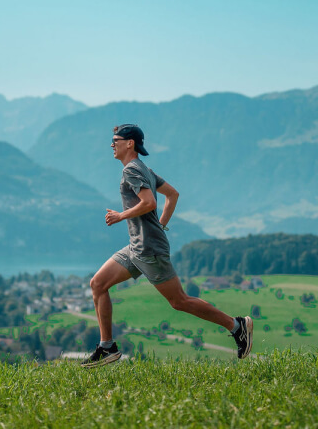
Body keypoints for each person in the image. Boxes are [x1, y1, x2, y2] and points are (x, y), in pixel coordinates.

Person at [81, 123, 253, 368]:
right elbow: (173, 194)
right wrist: (160, 225)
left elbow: (149, 203)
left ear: (130, 143)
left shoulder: (132, 170)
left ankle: (237, 326)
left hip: (149, 249)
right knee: (98, 284)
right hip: (137, 246)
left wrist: (121, 216)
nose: (112, 144)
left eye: (115, 140)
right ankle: (107, 347)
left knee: (179, 301)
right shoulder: (144, 169)